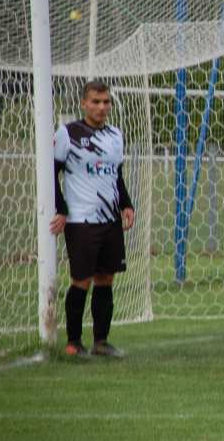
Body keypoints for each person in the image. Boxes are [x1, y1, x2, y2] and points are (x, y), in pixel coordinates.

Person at [50, 81, 136, 357]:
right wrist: (61, 208)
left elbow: (116, 174)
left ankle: (101, 342)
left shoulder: (115, 135)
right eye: (96, 101)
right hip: (80, 218)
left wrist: (126, 204)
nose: (101, 107)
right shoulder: (68, 134)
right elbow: (52, 172)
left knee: (105, 278)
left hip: (110, 219)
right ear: (84, 103)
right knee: (81, 279)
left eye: (106, 102)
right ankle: (73, 342)